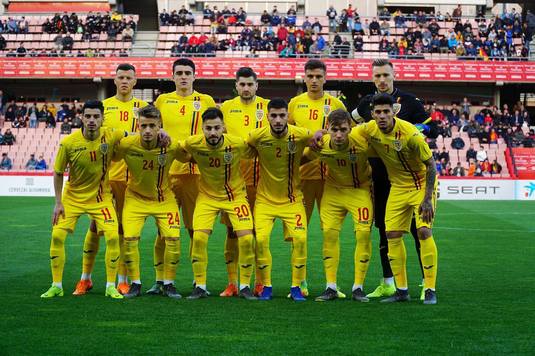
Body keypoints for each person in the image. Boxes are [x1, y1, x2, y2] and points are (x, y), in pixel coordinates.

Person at [351, 59, 433, 300]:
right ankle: (389, 282)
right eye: (377, 76)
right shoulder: (366, 103)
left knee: (418, 230)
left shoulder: (409, 101)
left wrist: (420, 128)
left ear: (393, 75)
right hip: (379, 175)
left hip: (409, 176)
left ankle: (423, 283)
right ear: (372, 77)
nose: (382, 80)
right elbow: (351, 121)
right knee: (385, 230)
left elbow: (433, 127)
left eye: (386, 75)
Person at [74, 63, 148, 296]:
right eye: (120, 77)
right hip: (106, 177)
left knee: (126, 230)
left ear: (135, 81)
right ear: (114, 81)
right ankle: (85, 278)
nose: (124, 81)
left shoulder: (145, 108)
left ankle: (123, 279)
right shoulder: (103, 108)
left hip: (135, 177)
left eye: (129, 77)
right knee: (95, 226)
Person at [40, 100, 124, 299]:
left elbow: (133, 136)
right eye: (88, 116)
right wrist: (58, 203)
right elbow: (58, 172)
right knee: (57, 236)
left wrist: (161, 134)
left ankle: (110, 286)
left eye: (96, 116)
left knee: (113, 237)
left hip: (100, 198)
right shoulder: (69, 143)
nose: (92, 120)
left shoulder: (111, 135)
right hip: (72, 198)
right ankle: (57, 285)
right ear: (82, 118)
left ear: (103, 118)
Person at [152, 58, 216, 294]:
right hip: (166, 175)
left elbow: (216, 131)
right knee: (163, 231)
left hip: (195, 175)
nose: (183, 77)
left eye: (187, 73)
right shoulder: (162, 100)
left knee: (194, 230)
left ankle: (198, 281)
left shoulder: (206, 101)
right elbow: (152, 127)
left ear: (194, 76)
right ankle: (160, 280)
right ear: (172, 76)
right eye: (178, 73)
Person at [183, 107, 256, 300]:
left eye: (216, 128)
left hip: (235, 197)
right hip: (207, 198)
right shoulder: (193, 143)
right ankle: (199, 286)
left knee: (247, 239)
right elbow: (177, 150)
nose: (213, 133)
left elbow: (255, 151)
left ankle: (245, 286)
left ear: (223, 127)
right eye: (208, 128)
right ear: (202, 129)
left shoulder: (237, 144)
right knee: (198, 239)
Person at [114, 106, 185, 299]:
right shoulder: (127, 144)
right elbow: (110, 154)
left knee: (173, 239)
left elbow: (188, 156)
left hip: (164, 198)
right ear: (138, 126)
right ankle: (135, 283)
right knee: (129, 239)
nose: (147, 130)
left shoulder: (170, 144)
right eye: (144, 125)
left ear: (159, 126)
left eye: (152, 126)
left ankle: (168, 284)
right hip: (135, 198)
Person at [287, 59, 345, 296]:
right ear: (304, 77)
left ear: (325, 78)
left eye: (318, 76)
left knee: (330, 231)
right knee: (298, 233)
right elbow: (288, 135)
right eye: (310, 76)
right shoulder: (295, 103)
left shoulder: (336, 103)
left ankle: (331, 284)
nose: (314, 80)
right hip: (302, 178)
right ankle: (298, 284)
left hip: (332, 179)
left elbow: (346, 135)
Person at [304, 109, 373, 302]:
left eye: (343, 129)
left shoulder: (362, 139)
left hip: (360, 190)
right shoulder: (320, 145)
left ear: (351, 128)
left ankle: (358, 287)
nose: (339, 134)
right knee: (329, 234)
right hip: (333, 191)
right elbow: (301, 159)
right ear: (328, 129)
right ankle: (331, 287)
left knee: (363, 234)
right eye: (334, 130)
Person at [247, 98, 312, 301]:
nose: (277, 120)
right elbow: (240, 147)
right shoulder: (257, 136)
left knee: (301, 240)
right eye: (273, 116)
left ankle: (296, 287)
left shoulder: (299, 134)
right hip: (265, 200)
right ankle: (266, 286)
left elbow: (319, 140)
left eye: (281, 115)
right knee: (262, 240)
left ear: (287, 117)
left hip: (292, 200)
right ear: (267, 117)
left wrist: (308, 154)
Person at [219, 67, 269, 297]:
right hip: (233, 184)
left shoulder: (269, 107)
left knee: (257, 234)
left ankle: (259, 282)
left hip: (262, 182)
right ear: (236, 86)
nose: (246, 88)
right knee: (231, 233)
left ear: (257, 85)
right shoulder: (226, 108)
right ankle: (232, 283)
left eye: (250, 84)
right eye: (242, 84)